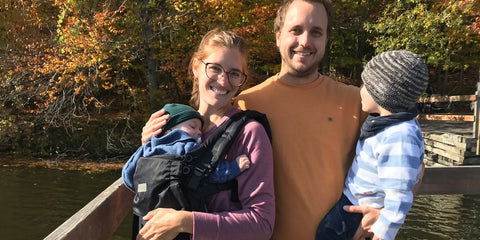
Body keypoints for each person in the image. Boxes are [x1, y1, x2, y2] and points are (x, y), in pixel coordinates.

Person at [135, 29, 275, 240]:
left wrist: (185, 222)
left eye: (234, 73)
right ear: (196, 67)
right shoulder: (171, 125)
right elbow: (138, 185)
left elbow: (262, 224)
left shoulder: (249, 133)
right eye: (215, 68)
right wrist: (146, 147)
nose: (223, 81)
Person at [315, 50, 429, 240]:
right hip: (358, 199)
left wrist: (384, 230)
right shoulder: (389, 126)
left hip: (363, 206)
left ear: (382, 93)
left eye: (365, 85)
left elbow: (400, 191)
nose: (360, 90)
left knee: (326, 235)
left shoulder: (399, 136)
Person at [122, 103, 251, 192]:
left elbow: (128, 174)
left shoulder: (147, 147)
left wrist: (139, 188)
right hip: (180, 206)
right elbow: (207, 172)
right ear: (169, 130)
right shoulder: (187, 146)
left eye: (200, 128)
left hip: (150, 208)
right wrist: (234, 167)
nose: (200, 132)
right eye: (192, 126)